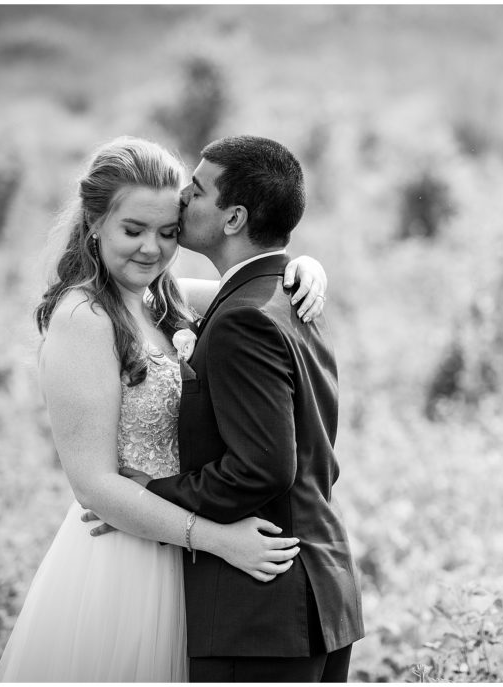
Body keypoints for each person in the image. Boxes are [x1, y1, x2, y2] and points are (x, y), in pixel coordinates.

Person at [0, 136, 330, 682]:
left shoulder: (159, 296)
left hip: (189, 556)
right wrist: (219, 539)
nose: (151, 249)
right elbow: (94, 486)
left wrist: (307, 268)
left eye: (168, 232)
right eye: (133, 230)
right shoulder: (84, 317)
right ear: (95, 222)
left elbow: (251, 284)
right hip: (130, 556)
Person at [102, 135, 364, 682]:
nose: (181, 200)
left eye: (195, 192)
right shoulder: (288, 294)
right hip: (320, 595)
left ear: (233, 217)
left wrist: (151, 490)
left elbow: (264, 467)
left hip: (262, 612)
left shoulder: (244, 318)